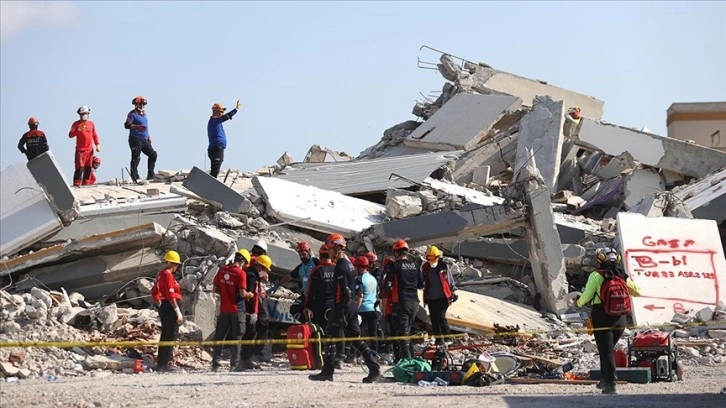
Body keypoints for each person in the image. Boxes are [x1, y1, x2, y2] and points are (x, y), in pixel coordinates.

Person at [309, 233, 380, 383]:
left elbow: (345, 290)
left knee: (330, 335)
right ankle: (374, 368)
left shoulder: (341, 265)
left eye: (329, 247)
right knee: (355, 339)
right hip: (352, 305)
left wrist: (341, 311)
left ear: (337, 247)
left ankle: (327, 372)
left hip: (344, 305)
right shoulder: (347, 264)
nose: (327, 251)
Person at [575, 247, 641, 395]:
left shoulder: (595, 276)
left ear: (599, 261)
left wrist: (577, 303)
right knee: (607, 350)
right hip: (620, 320)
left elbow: (586, 296)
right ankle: (605, 379)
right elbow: (638, 291)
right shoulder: (621, 276)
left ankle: (610, 385)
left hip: (602, 318)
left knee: (606, 352)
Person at [380, 239, 423, 363]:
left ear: (395, 252)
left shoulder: (395, 266)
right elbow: (421, 284)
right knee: (406, 332)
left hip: (401, 302)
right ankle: (405, 360)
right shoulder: (415, 265)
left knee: (401, 334)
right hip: (414, 303)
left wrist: (381, 295)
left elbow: (388, 284)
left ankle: (408, 364)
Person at [212, 249, 252, 372]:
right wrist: (250, 295)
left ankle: (215, 365)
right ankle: (234, 366)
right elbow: (242, 292)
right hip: (237, 309)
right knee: (237, 337)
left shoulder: (222, 269)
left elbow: (215, 288)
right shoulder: (241, 274)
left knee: (219, 336)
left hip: (224, 309)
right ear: (244, 261)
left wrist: (225, 295)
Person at [151, 250, 184, 372]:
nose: (176, 267)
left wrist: (160, 302)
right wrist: (178, 312)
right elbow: (171, 296)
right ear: (172, 264)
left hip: (164, 306)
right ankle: (167, 363)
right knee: (171, 335)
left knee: (165, 334)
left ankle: (161, 363)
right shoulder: (168, 276)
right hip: (170, 308)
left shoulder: (160, 275)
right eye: (176, 264)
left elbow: (154, 292)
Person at [239, 254, 272, 370]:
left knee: (260, 327)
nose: (266, 272)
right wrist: (253, 312)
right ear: (259, 267)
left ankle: (248, 357)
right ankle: (245, 359)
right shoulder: (251, 276)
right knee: (250, 332)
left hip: (254, 308)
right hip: (250, 309)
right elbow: (251, 296)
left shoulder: (254, 275)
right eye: (265, 270)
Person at [421, 245, 458, 346]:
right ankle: (438, 340)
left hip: (443, 296)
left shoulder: (443, 266)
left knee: (441, 316)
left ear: (437, 257)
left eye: (433, 258)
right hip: (431, 297)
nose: (431, 260)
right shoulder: (425, 267)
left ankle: (448, 337)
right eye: (429, 258)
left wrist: (453, 291)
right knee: (434, 319)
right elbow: (423, 280)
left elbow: (450, 280)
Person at [124, 96, 158, 183]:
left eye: (143, 104)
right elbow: (127, 125)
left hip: (144, 139)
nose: (142, 106)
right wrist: (137, 127)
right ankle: (134, 176)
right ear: (136, 105)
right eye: (140, 104)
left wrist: (148, 136)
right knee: (136, 157)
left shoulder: (144, 114)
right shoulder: (132, 114)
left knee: (153, 154)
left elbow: (145, 127)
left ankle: (150, 175)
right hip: (135, 139)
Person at [207, 100, 242, 178]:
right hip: (216, 147)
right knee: (215, 168)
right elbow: (226, 117)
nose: (221, 113)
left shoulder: (217, 122)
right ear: (215, 112)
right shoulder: (214, 121)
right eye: (220, 112)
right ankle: (210, 182)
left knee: (217, 166)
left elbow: (224, 117)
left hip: (217, 147)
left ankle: (212, 179)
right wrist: (236, 109)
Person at [68, 106, 100, 187]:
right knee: (80, 168)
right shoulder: (76, 124)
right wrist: (78, 130)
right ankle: (76, 185)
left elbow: (94, 135)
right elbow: (70, 135)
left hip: (89, 150)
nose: (84, 115)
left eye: (86, 114)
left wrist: (97, 144)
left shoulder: (91, 124)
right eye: (83, 114)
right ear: (80, 114)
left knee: (88, 168)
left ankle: (86, 185)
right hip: (80, 150)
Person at [355, 256, 380, 353]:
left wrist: (356, 309)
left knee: (357, 333)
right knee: (373, 334)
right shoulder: (373, 278)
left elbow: (360, 295)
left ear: (359, 267)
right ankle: (375, 354)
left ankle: (354, 355)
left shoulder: (359, 278)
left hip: (363, 309)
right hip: (374, 309)